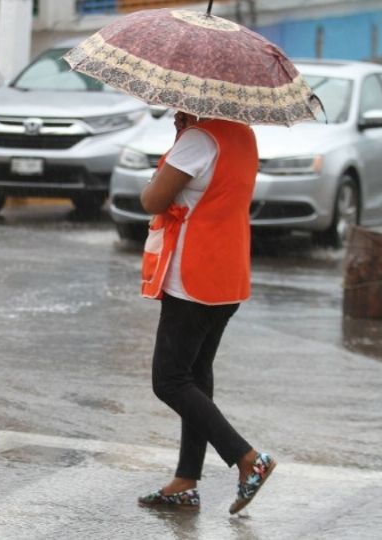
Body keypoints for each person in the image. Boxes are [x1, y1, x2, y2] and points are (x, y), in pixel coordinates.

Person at [136, 111, 275, 514]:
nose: (175, 107)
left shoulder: (199, 140)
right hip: (228, 274)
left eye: (180, 100)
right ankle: (185, 479)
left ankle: (248, 459)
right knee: (196, 375)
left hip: (194, 275)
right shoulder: (244, 135)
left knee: (169, 380)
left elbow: (153, 199)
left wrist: (172, 154)